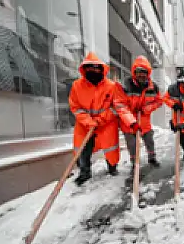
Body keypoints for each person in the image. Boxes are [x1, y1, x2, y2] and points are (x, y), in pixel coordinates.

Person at [69, 52, 136, 185]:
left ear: (101, 69)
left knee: (110, 147)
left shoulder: (111, 86)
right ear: (84, 69)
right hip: (84, 123)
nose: (93, 71)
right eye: (89, 68)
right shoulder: (77, 85)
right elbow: (75, 107)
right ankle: (84, 172)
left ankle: (112, 167)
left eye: (96, 68)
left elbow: (115, 107)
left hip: (106, 123)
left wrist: (100, 120)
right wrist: (88, 121)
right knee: (83, 147)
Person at [120, 56, 164, 168]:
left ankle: (152, 157)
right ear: (134, 72)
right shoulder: (126, 85)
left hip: (144, 120)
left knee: (149, 139)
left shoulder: (153, 87)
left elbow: (159, 101)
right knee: (132, 143)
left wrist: (147, 108)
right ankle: (135, 161)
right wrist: (131, 117)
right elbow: (121, 104)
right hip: (129, 120)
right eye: (139, 72)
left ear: (148, 73)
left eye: (144, 72)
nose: (141, 75)